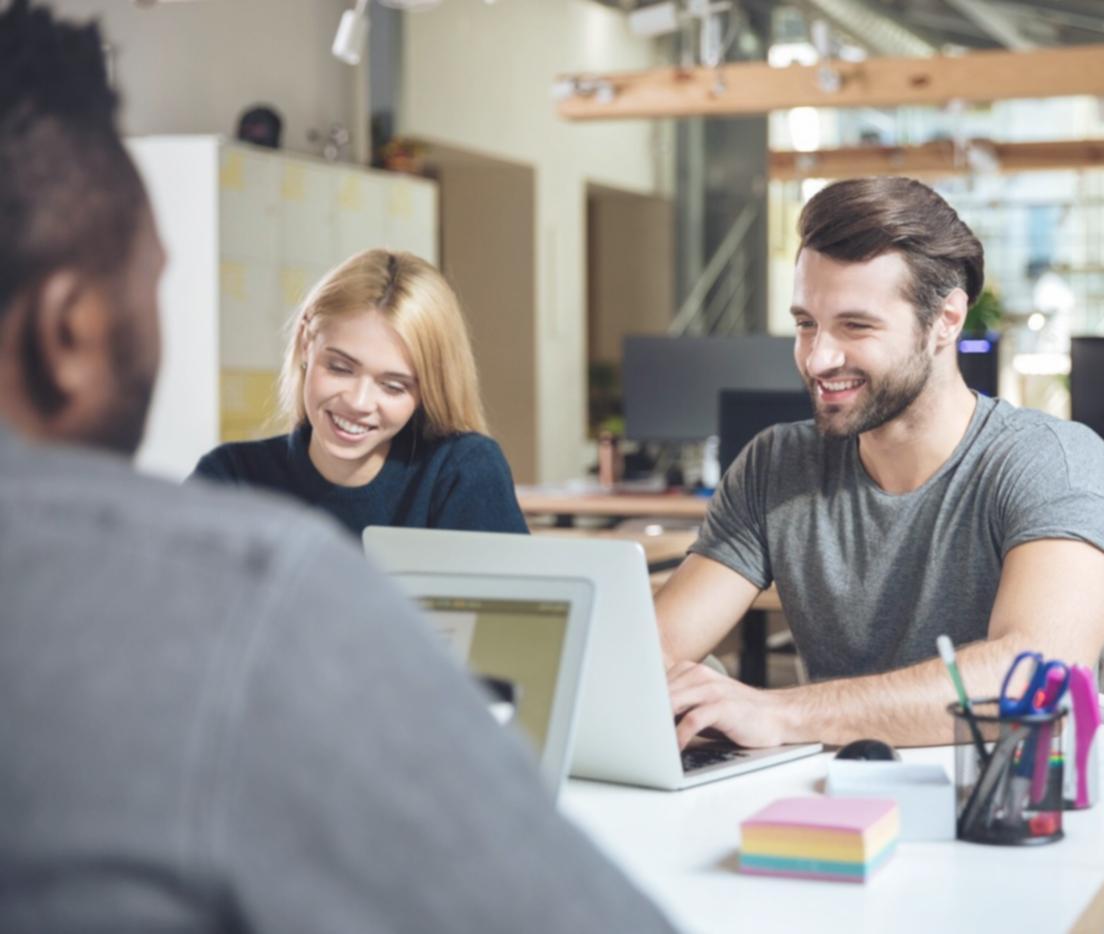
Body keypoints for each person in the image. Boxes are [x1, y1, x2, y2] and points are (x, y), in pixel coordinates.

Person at [0, 3, 670, 931]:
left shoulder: (426, 480)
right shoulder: (263, 568)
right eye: (152, 282)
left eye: (393, 383)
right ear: (69, 325)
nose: (359, 401)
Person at [657, 177, 1104, 749]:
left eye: (856, 326)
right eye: (806, 323)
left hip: (1007, 806)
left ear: (947, 321)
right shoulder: (776, 464)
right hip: (839, 806)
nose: (817, 358)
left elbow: (1037, 681)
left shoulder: (1051, 460)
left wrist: (782, 714)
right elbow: (657, 648)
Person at [191, 248, 528, 538]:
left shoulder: (461, 472)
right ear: (307, 342)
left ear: (429, 390)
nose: (358, 402)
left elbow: (511, 611)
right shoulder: (231, 478)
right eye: (339, 368)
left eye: (394, 386)